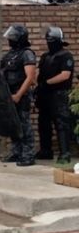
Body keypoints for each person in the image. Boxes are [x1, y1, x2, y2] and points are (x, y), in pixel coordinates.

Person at [0, 24, 37, 166]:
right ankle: (16, 152)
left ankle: (28, 155)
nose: (10, 39)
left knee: (24, 124)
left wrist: (19, 95)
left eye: (12, 37)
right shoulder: (9, 55)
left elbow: (30, 77)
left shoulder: (27, 53)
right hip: (9, 95)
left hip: (22, 95)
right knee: (13, 125)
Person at [36, 26, 74, 164]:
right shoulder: (45, 56)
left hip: (59, 94)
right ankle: (46, 151)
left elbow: (65, 75)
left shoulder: (66, 56)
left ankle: (65, 154)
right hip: (45, 94)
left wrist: (47, 83)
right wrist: (38, 86)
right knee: (43, 123)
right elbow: (39, 73)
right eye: (48, 41)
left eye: (52, 41)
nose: (49, 43)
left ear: (59, 41)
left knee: (61, 123)